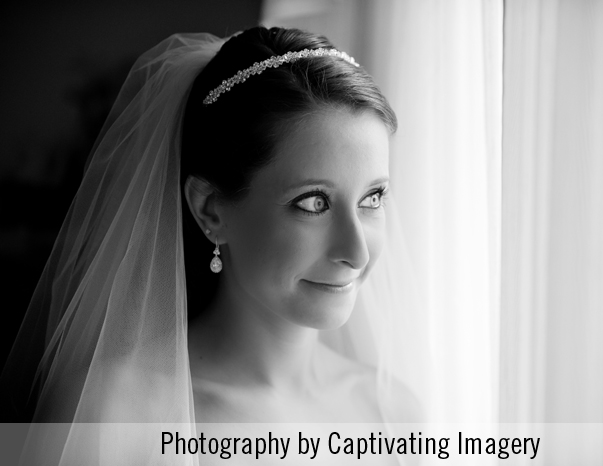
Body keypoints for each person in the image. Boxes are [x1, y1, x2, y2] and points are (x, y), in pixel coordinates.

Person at [1, 26, 424, 463]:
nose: (357, 252)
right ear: (210, 211)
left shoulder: (393, 414)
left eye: (372, 198)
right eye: (313, 202)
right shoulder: (111, 416)